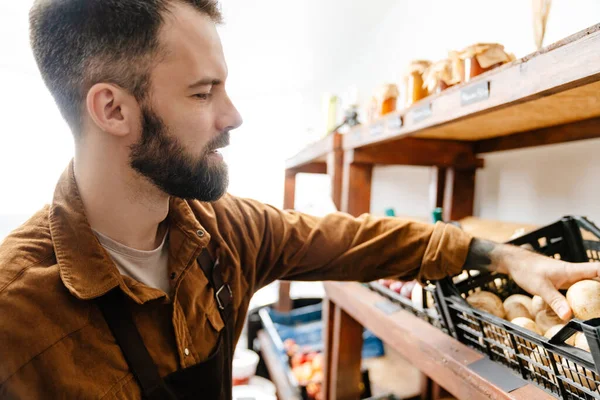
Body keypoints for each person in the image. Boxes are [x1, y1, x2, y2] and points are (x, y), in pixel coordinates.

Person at [0, 1, 598, 398]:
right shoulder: (18, 318)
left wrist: (501, 256)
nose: (233, 116)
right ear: (112, 109)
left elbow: (352, 239)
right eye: (203, 93)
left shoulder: (222, 231)